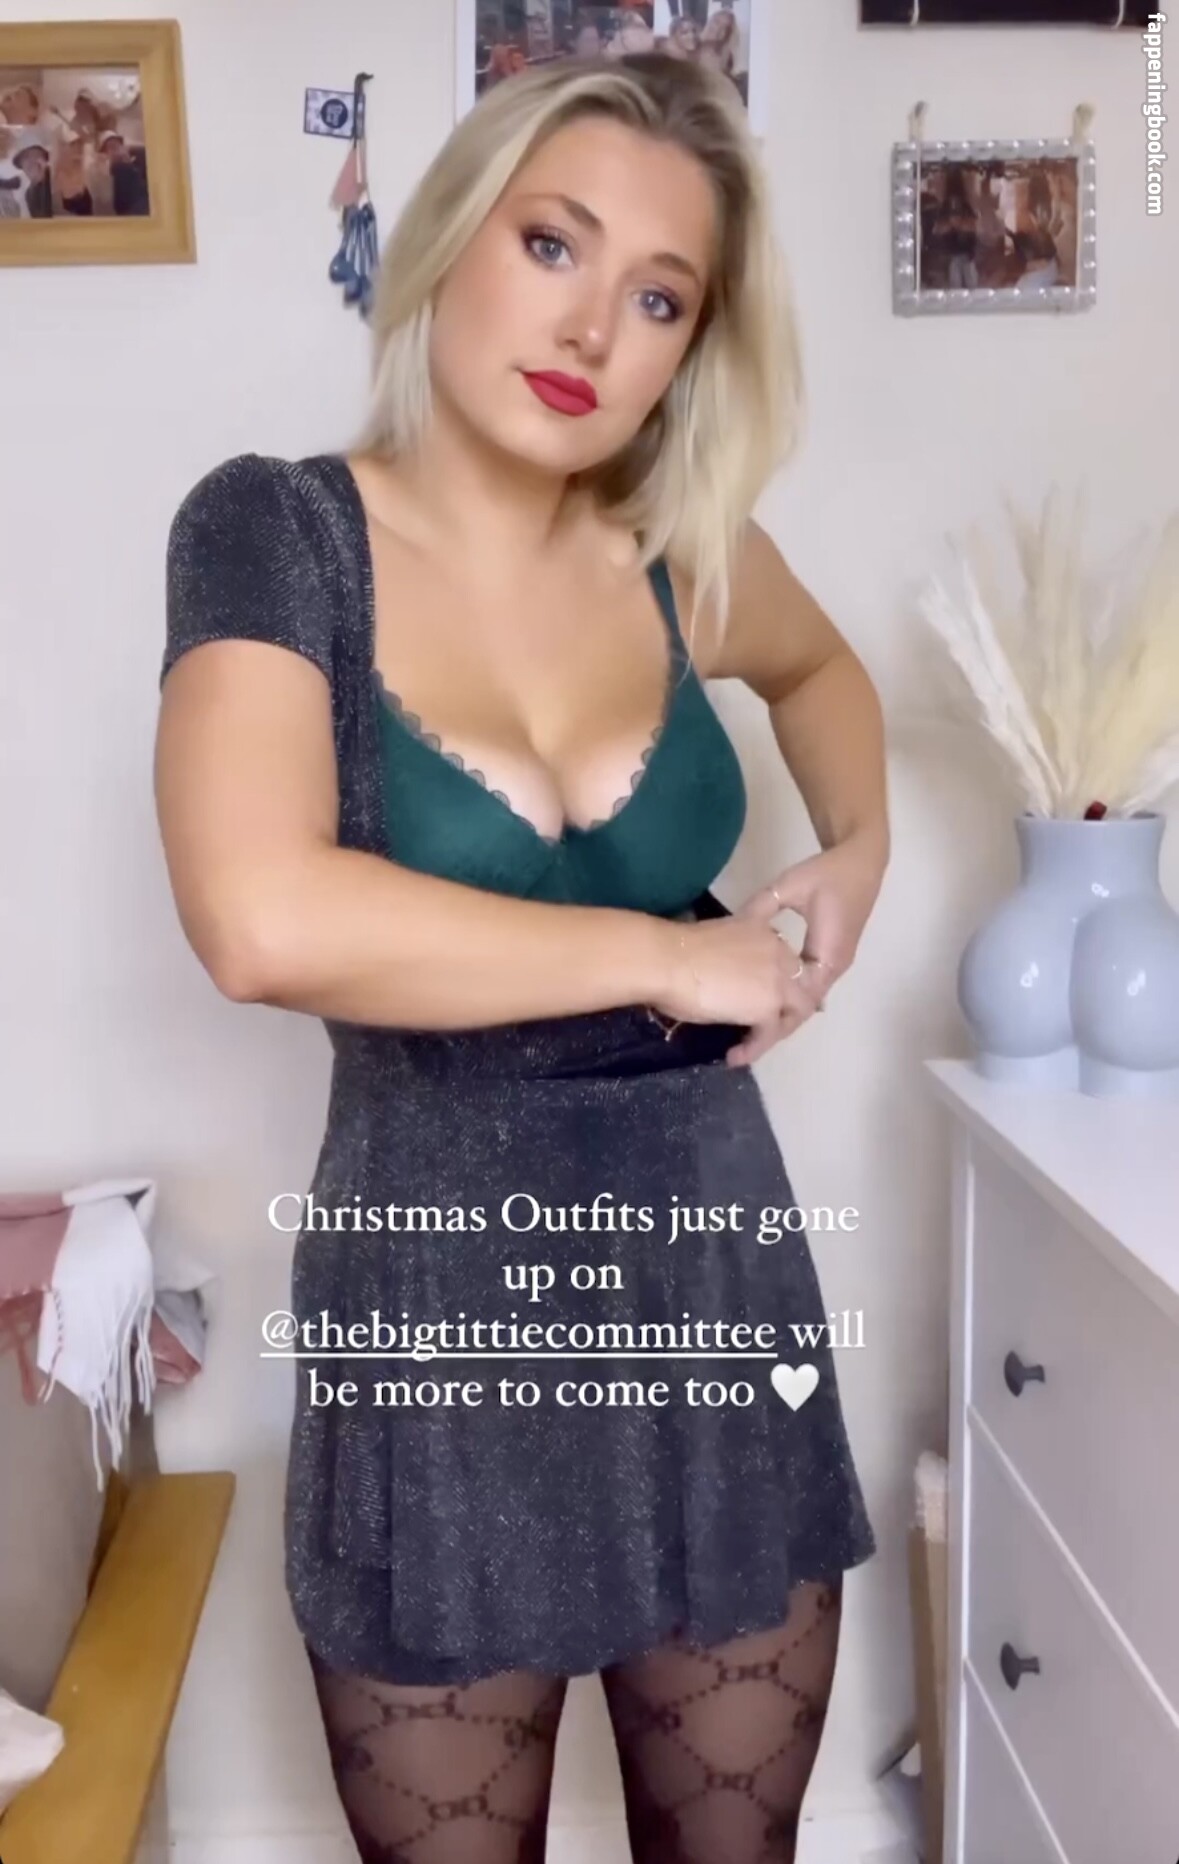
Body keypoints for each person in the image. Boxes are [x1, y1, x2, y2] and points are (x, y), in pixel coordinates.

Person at [155, 49, 883, 1864]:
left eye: (661, 297)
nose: (593, 330)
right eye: (553, 244)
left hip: (711, 1274)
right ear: (455, 234)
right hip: (441, 1303)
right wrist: (667, 953)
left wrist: (860, 851)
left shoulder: (678, 553)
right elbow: (259, 918)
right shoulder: (276, 530)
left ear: (691, 349)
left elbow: (824, 673)